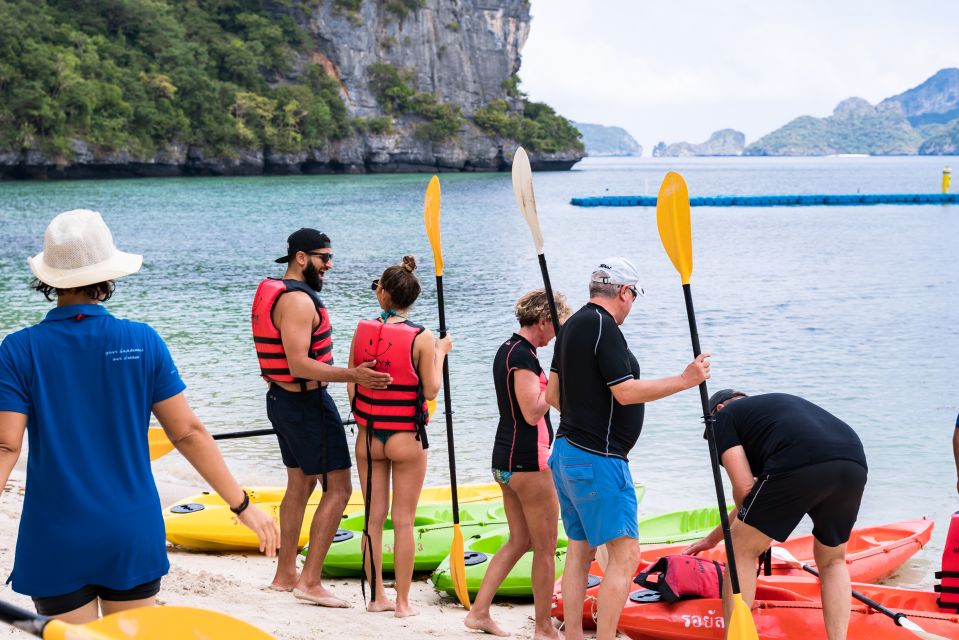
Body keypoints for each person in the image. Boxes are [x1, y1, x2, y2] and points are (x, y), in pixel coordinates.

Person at [0, 209, 279, 624]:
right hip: (130, 531)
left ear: (50, 278)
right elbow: (188, 433)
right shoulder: (141, 340)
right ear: (107, 275)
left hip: (57, 535)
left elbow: (6, 446)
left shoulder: (19, 349)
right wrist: (242, 506)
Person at [545, 257, 711, 640]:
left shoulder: (570, 327)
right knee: (625, 556)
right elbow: (625, 392)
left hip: (566, 453)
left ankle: (573, 635)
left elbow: (553, 394)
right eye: (634, 295)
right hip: (599, 459)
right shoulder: (604, 327)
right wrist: (685, 380)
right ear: (624, 291)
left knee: (579, 552)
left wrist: (584, 415)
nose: (632, 304)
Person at [252, 228, 392, 607]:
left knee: (300, 484)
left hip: (281, 400)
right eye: (323, 258)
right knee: (340, 489)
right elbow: (299, 364)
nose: (329, 265)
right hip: (306, 403)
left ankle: (285, 574)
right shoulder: (298, 302)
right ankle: (310, 581)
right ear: (301, 257)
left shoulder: (275, 291)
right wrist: (354, 375)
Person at [684, 390, 868, 640]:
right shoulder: (768, 416)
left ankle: (736, 637)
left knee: (741, 551)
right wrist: (712, 539)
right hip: (853, 460)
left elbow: (745, 490)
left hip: (800, 459)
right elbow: (754, 499)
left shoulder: (721, 418)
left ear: (716, 409)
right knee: (832, 560)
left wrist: (754, 537)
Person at [347, 255, 451, 617]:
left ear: (383, 293)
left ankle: (377, 597)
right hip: (406, 438)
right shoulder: (422, 337)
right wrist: (440, 352)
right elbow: (432, 390)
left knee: (372, 519)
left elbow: (352, 381)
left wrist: (365, 419)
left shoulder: (362, 329)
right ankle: (403, 603)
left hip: (368, 435)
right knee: (403, 520)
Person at [465, 289, 571, 639]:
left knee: (520, 540)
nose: (557, 333)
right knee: (546, 547)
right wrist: (556, 378)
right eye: (557, 325)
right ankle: (543, 627)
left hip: (506, 459)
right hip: (527, 461)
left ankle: (479, 612)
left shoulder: (508, 349)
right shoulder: (523, 356)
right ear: (542, 321)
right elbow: (532, 411)